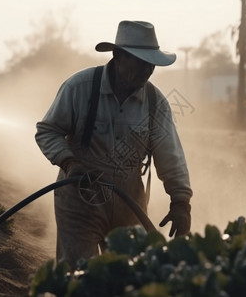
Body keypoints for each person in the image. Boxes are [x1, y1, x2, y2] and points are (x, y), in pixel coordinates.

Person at [35, 20, 193, 268]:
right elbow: (47, 131)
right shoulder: (79, 88)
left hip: (129, 203)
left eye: (152, 63)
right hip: (80, 199)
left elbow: (170, 154)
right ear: (118, 56)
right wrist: (70, 162)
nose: (148, 70)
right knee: (79, 275)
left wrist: (180, 201)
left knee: (128, 277)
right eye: (142, 62)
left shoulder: (155, 102)